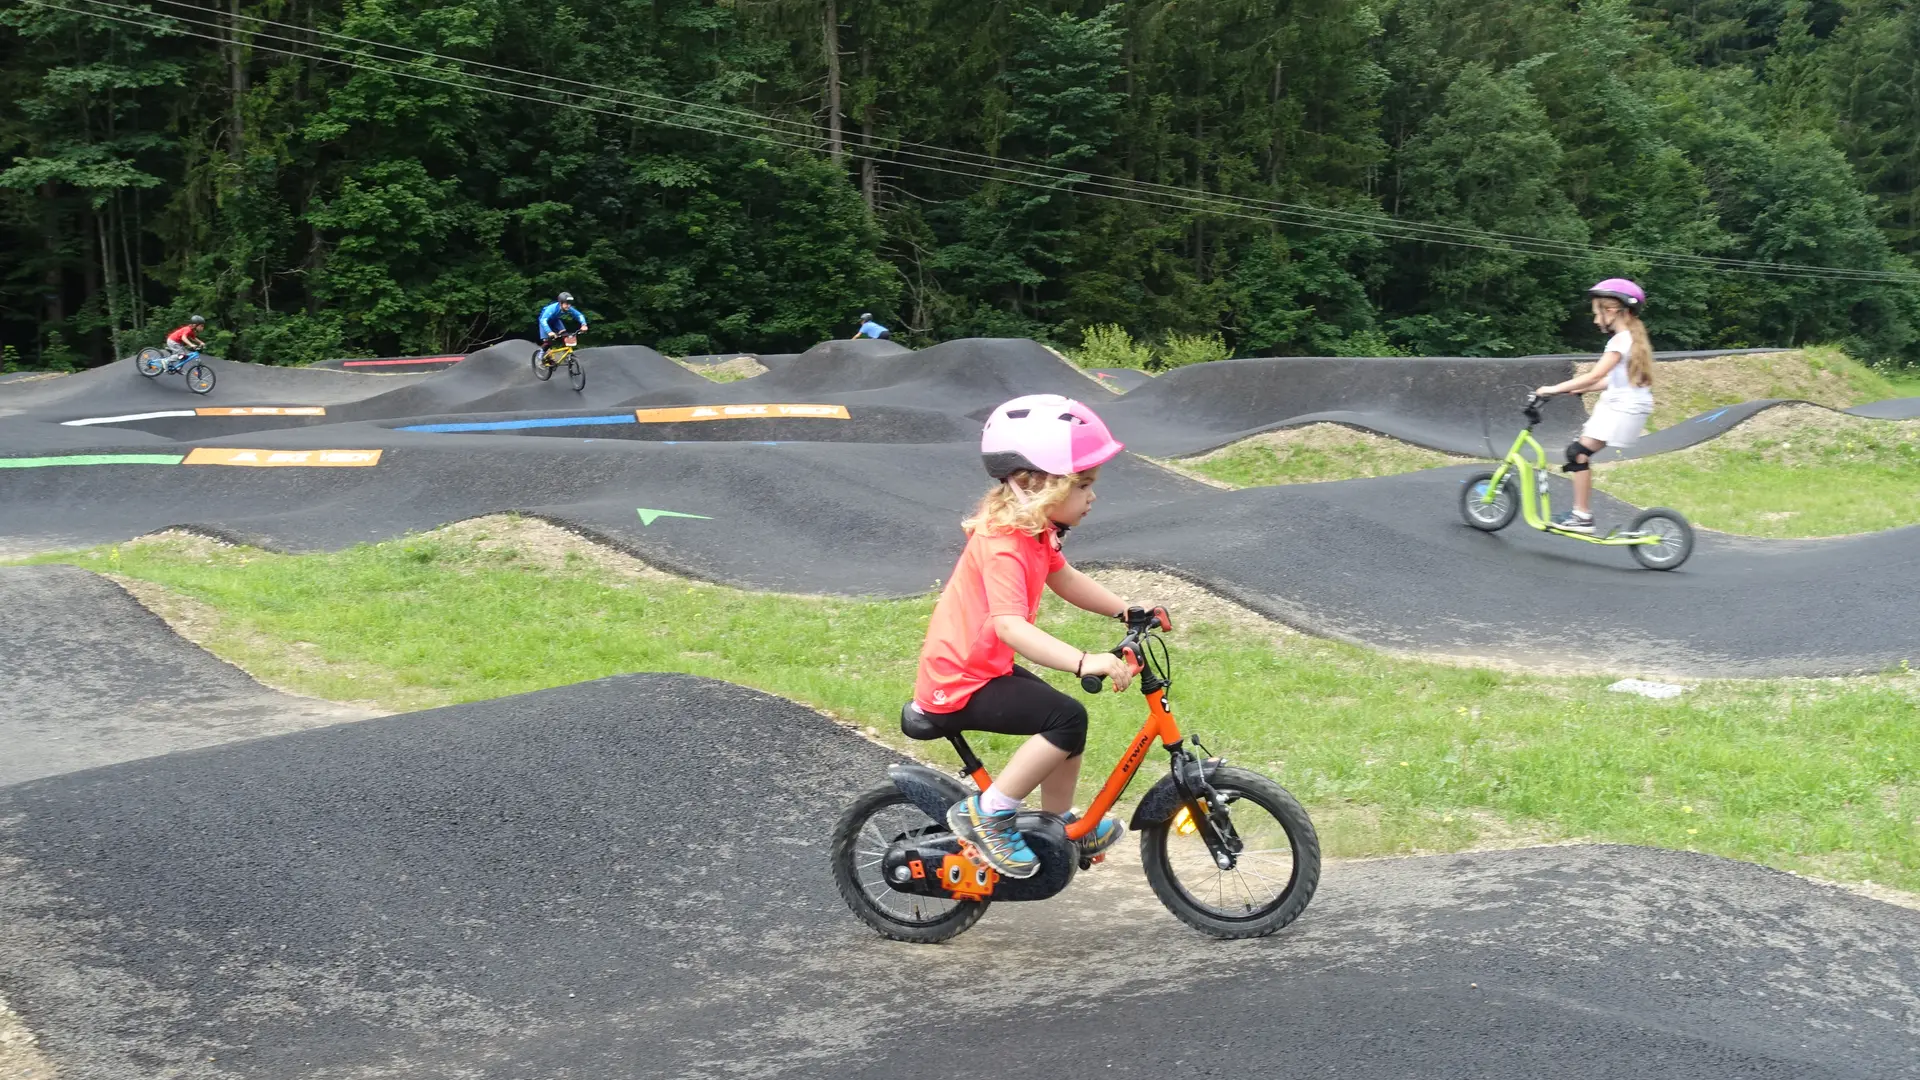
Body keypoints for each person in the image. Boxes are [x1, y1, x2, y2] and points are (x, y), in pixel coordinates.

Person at [909, 393, 1143, 879]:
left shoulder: (1036, 533)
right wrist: (1083, 660)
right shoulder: (1002, 543)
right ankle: (989, 814)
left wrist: (1127, 610)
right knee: (1065, 715)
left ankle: (1058, 827)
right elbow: (1010, 627)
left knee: (1067, 722)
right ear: (1030, 483)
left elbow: (1065, 579)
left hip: (982, 669)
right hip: (957, 680)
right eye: (1082, 484)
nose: (1092, 495)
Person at [1534, 278, 1655, 533]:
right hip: (1630, 406)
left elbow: (1594, 375)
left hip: (1621, 409)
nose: (1594, 319)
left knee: (1577, 453)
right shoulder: (1632, 339)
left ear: (1611, 310)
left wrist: (1553, 388)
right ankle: (1581, 515)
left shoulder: (1619, 341)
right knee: (1579, 453)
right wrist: (1580, 389)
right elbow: (1614, 380)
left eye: (1596, 312)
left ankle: (1581, 517)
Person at [535, 292, 589, 362]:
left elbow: (579, 315)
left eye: (569, 304)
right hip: (544, 322)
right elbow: (543, 320)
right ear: (560, 303)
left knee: (565, 334)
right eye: (566, 304)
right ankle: (540, 356)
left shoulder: (568, 308)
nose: (568, 306)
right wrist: (549, 332)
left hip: (555, 320)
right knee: (548, 341)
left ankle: (567, 354)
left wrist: (584, 325)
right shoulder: (552, 309)